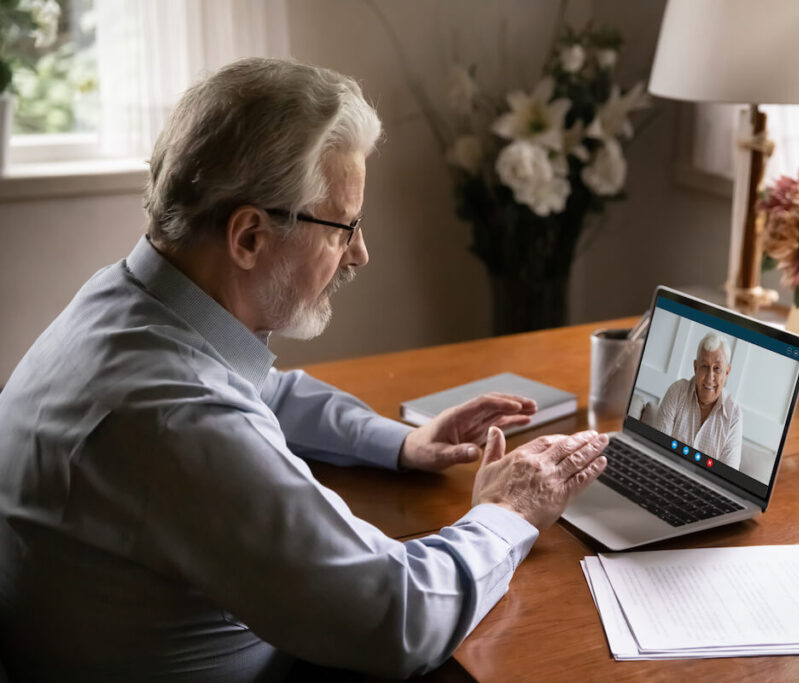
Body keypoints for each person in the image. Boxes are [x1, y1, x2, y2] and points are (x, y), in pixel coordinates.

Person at [0, 58, 609, 681]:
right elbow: (399, 617)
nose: (360, 254)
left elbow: (263, 390)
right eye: (343, 227)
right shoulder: (176, 416)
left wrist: (402, 443)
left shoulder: (124, 301)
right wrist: (509, 511)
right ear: (248, 237)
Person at [645, 332, 743, 468]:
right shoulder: (677, 391)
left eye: (717, 369)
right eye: (704, 366)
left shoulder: (734, 416)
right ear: (695, 367)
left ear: (727, 372)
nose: (709, 378)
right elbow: (657, 449)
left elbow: (727, 475)